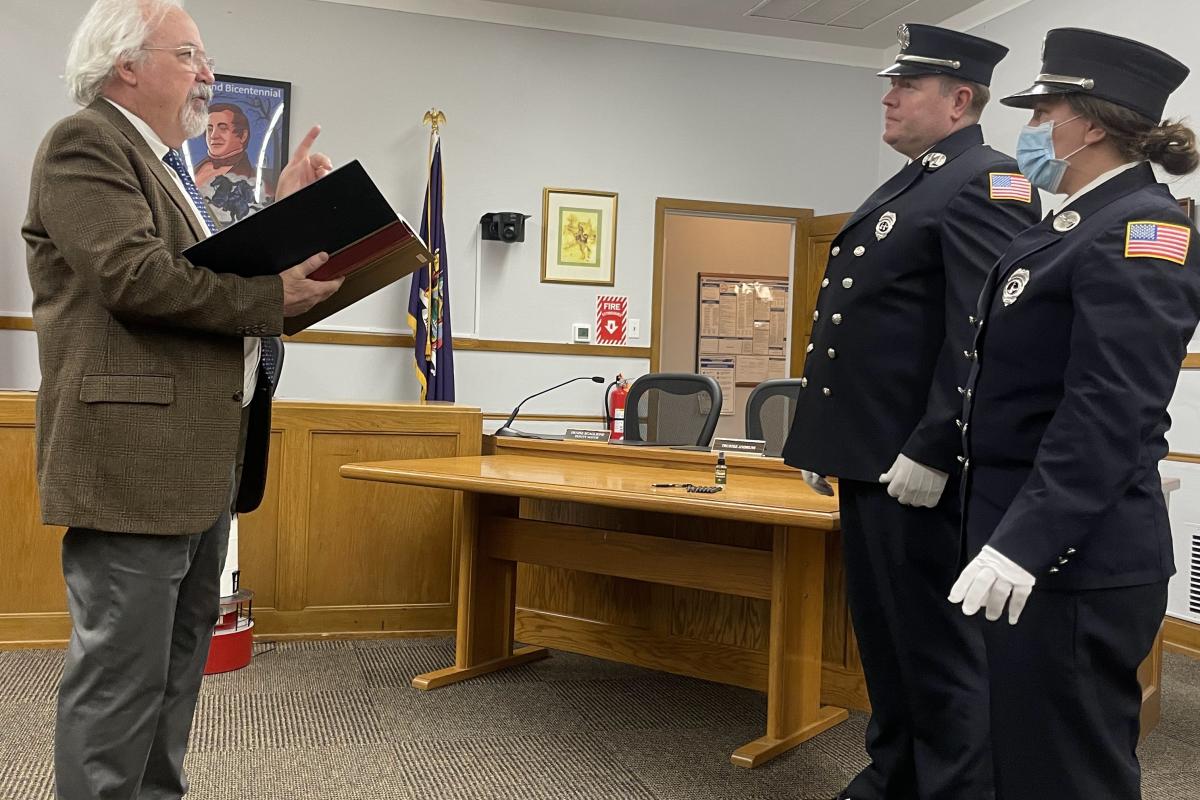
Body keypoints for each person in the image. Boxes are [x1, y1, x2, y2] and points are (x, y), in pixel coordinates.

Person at [22, 1, 342, 797]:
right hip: (133, 470)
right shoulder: (85, 142)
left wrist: (284, 213)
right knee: (121, 683)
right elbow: (136, 278)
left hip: (200, 465)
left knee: (173, 677)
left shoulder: (164, 166)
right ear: (126, 64)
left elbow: (209, 268)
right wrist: (274, 297)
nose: (208, 74)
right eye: (191, 55)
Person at [781, 23, 1041, 800]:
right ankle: (894, 775)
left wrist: (933, 446)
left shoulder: (988, 181)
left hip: (919, 468)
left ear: (960, 99)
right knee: (886, 642)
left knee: (935, 652)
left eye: (907, 86)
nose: (889, 98)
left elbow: (982, 331)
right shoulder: (920, 179)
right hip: (873, 457)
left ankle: (953, 789)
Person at [948, 27, 1200, 800]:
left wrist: (1024, 544)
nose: (1028, 132)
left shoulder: (1142, 230)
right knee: (1027, 753)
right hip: (1032, 538)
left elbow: (1109, 411)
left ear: (1087, 123)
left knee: (1070, 772)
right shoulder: (1071, 226)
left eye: (1041, 112)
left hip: (1074, 557)